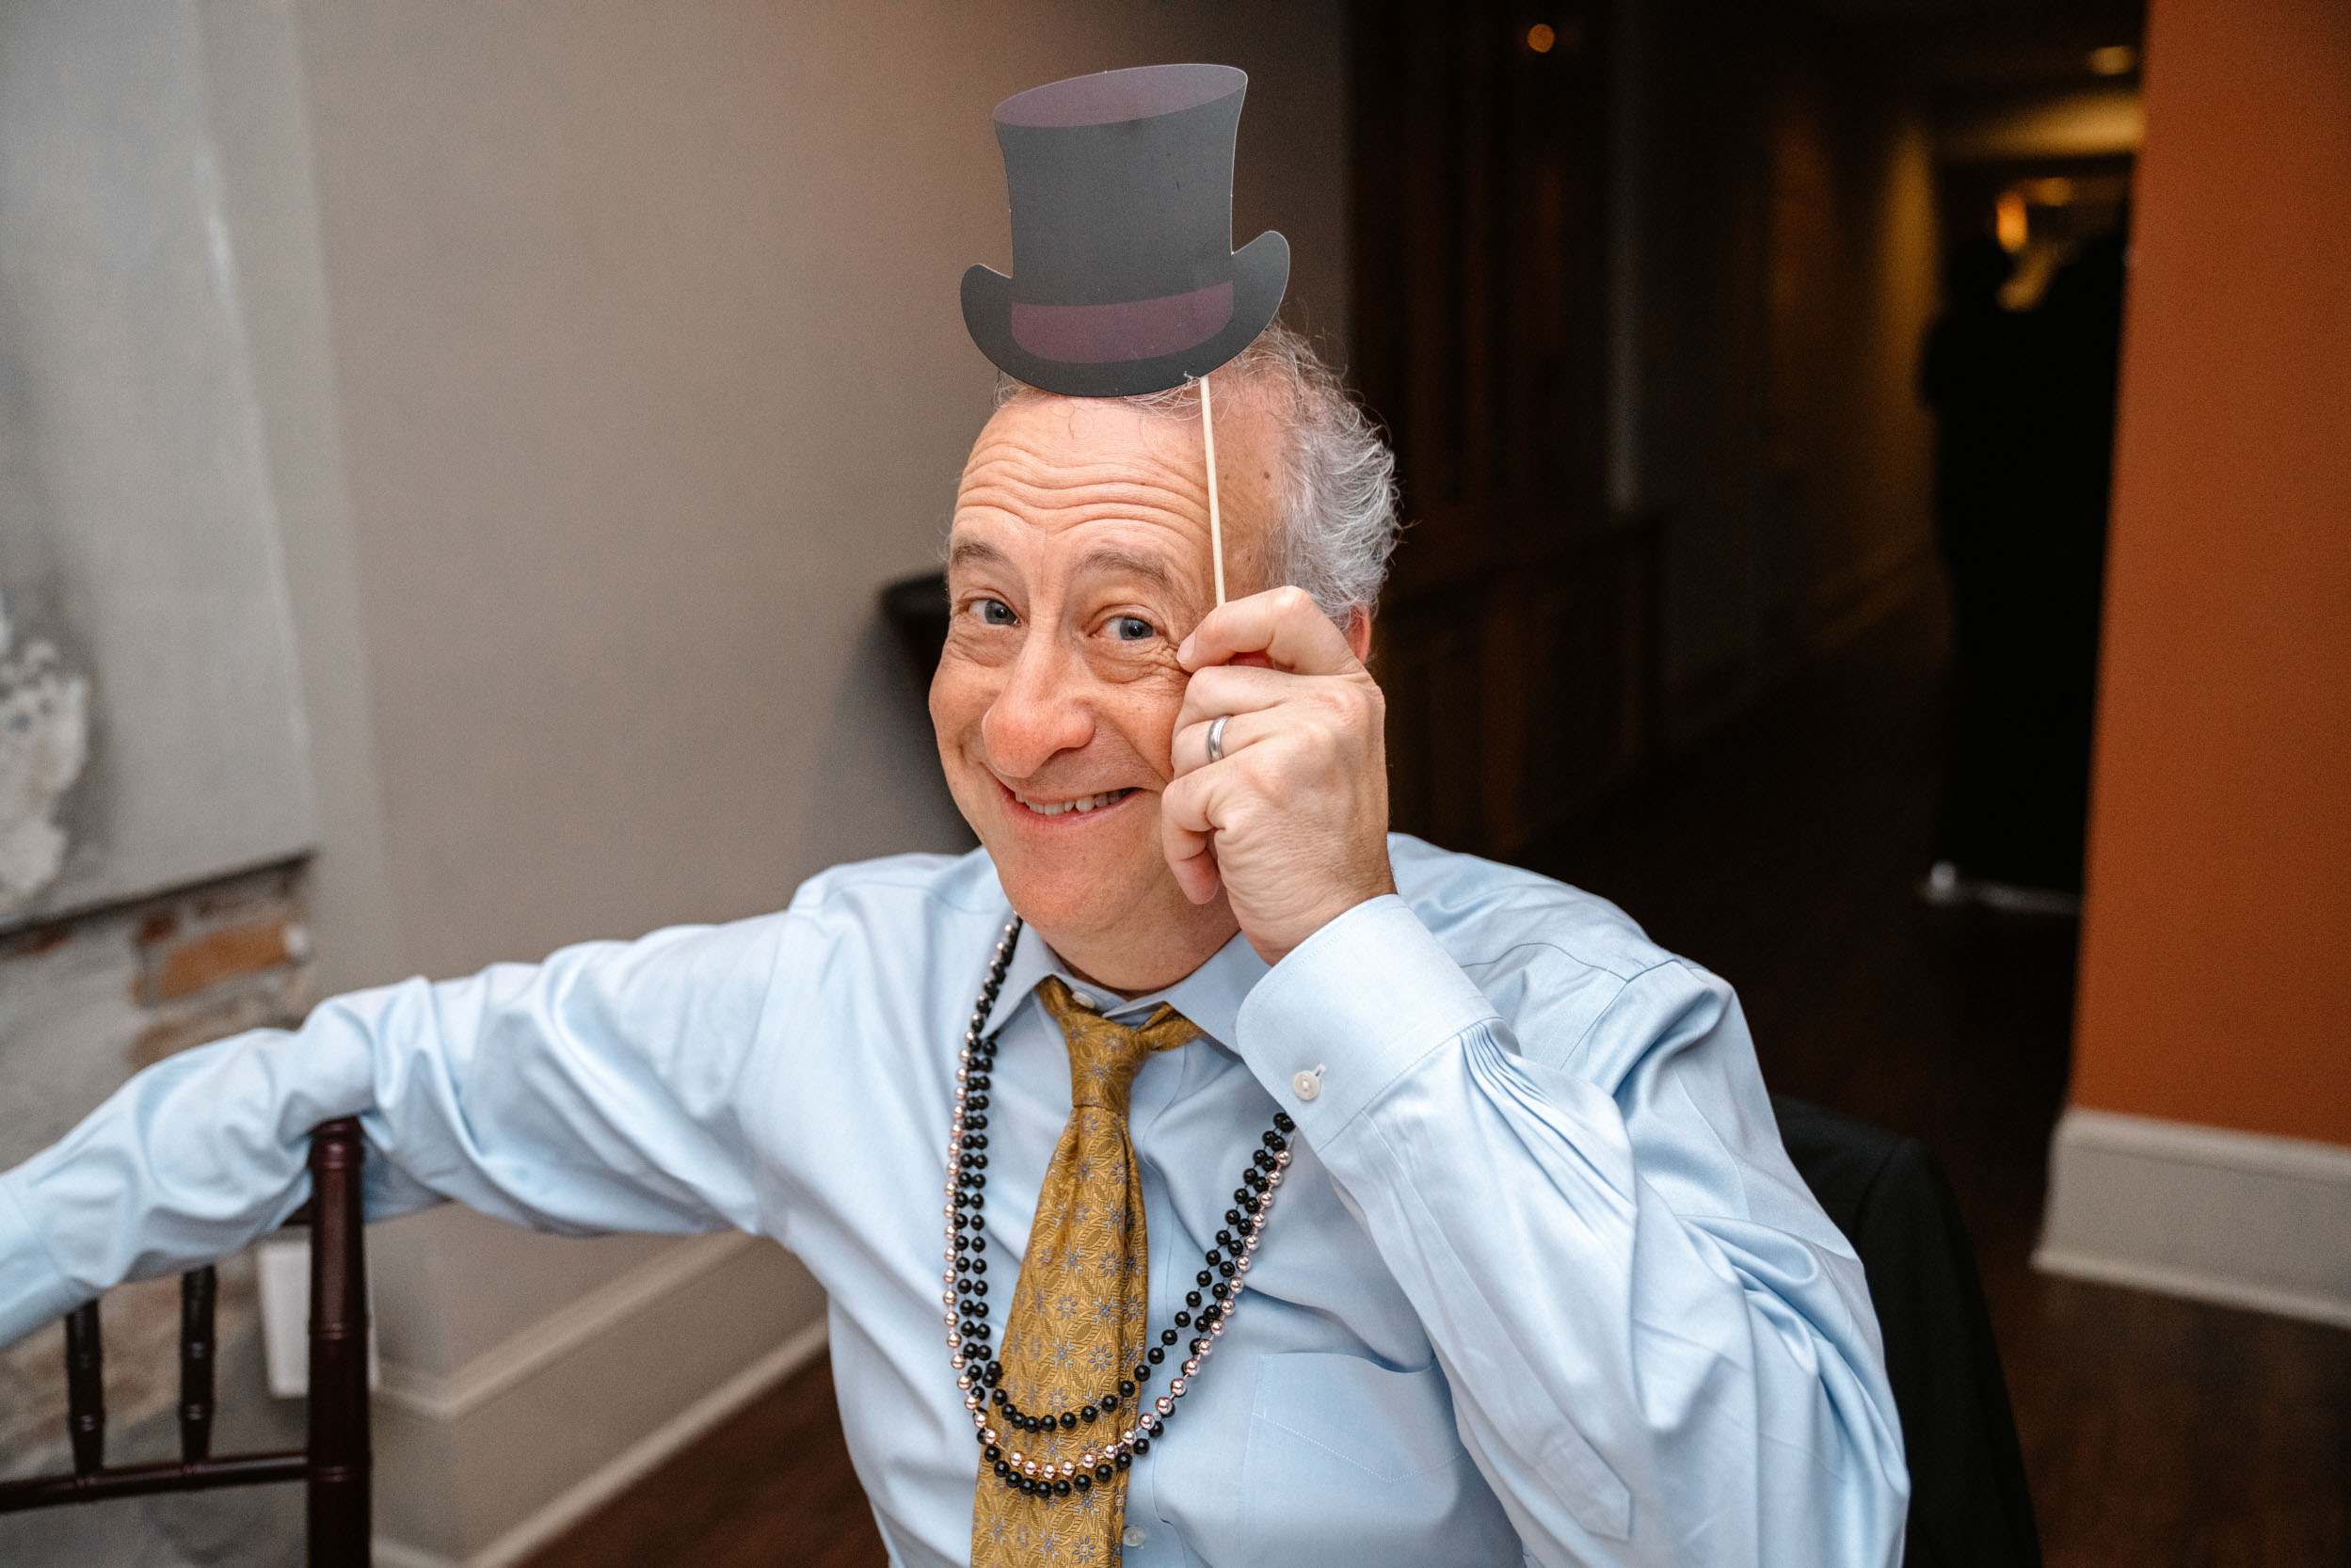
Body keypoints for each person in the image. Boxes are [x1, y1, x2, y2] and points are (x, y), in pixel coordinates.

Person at [0, 69, 1906, 1568]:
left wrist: (1345, 970)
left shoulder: (1593, 1022)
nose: (1027, 710)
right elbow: (373, 1080)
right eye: (987, 605)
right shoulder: (844, 991)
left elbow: (1788, 1538)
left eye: (1131, 620)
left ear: (1327, 653)